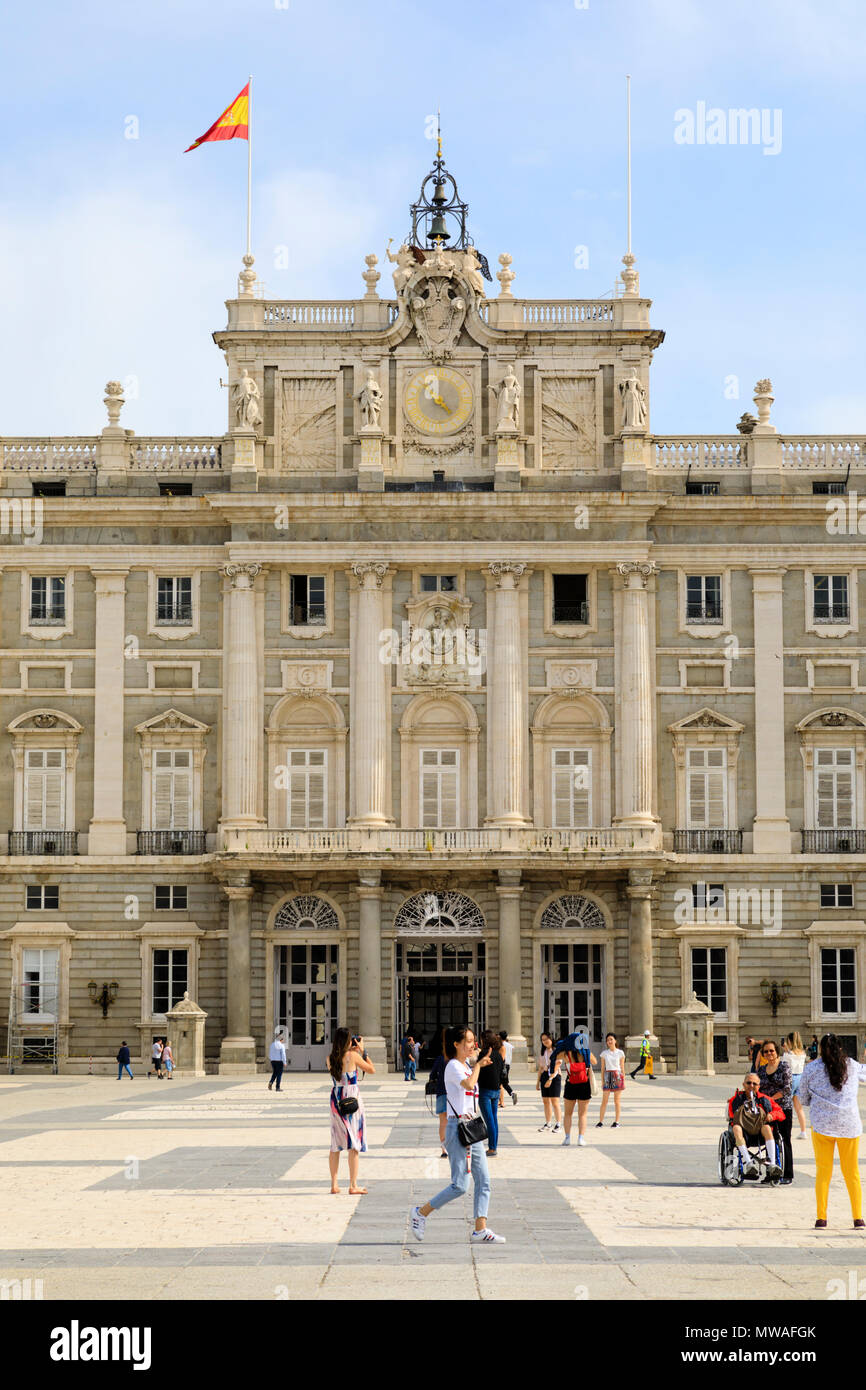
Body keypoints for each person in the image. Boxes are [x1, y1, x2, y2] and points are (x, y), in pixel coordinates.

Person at [410, 1026, 505, 1244]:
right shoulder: (452, 1066)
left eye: (474, 1041)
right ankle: (420, 1213)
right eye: (469, 1041)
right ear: (456, 1044)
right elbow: (470, 1084)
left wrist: (480, 1064)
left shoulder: (464, 1065)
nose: (473, 1045)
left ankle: (480, 1229)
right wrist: (479, 1065)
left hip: (471, 1127)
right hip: (457, 1128)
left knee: (484, 1180)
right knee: (460, 1186)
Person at [799, 1034, 866, 1230]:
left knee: (823, 1173)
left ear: (820, 1048)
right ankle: (858, 1217)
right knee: (852, 1173)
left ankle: (822, 1218)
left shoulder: (811, 1068)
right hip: (849, 1124)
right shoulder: (851, 1065)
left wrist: (819, 1102)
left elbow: (802, 1097)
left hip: (822, 1126)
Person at [328, 1027, 375, 1195]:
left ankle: (334, 1184)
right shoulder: (353, 1056)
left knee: (335, 1143)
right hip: (352, 1099)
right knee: (354, 1143)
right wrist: (363, 1051)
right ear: (349, 1041)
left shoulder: (330, 1058)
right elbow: (371, 1069)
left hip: (336, 1099)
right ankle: (353, 1185)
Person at [727, 1075, 783, 1178]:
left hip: (761, 1132)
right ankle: (749, 1163)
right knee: (736, 1128)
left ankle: (772, 1164)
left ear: (759, 1086)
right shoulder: (735, 1100)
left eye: (754, 1084)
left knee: (767, 1128)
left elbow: (780, 1112)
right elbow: (731, 1117)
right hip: (743, 1132)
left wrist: (771, 1115)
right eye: (748, 1083)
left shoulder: (764, 1099)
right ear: (743, 1084)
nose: (751, 1086)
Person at [758, 1039, 794, 1184]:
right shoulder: (761, 1070)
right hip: (767, 1110)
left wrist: (771, 1099)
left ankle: (787, 1174)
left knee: (785, 1140)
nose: (769, 1053)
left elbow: (787, 1089)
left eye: (771, 1050)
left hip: (783, 1108)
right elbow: (758, 1088)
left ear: (777, 1051)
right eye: (766, 1051)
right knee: (769, 1139)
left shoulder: (784, 1066)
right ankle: (771, 1172)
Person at [560, 1038, 598, 1147]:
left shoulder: (566, 1054)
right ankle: (580, 1138)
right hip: (584, 1083)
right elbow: (595, 1062)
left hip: (570, 1083)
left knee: (568, 1113)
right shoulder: (586, 1053)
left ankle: (567, 1138)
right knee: (582, 1114)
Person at [477, 1029, 506, 1157]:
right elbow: (501, 1072)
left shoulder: (484, 1054)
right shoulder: (498, 1054)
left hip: (485, 1091)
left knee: (489, 1120)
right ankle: (494, 1146)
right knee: (493, 1119)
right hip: (496, 1091)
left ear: (484, 1040)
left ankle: (492, 1148)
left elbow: (479, 1072)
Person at [783, 1032, 808, 1140]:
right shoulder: (803, 1054)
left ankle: (787, 1131)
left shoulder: (787, 1055)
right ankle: (803, 1131)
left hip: (790, 1078)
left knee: (786, 1107)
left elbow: (784, 1066)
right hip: (800, 1078)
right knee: (799, 1108)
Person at [597, 1032, 625, 1127]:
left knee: (617, 1101)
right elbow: (602, 1068)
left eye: (611, 1039)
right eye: (608, 1040)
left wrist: (623, 1079)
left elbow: (622, 1067)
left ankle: (616, 1122)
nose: (609, 1041)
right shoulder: (604, 1053)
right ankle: (600, 1121)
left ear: (615, 1041)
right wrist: (602, 1081)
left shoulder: (620, 1053)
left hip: (617, 1075)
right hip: (608, 1075)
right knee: (604, 1100)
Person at [428, 1029, 449, 1158]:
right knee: (455, 1122)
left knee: (443, 1122)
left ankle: (443, 1149)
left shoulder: (440, 1059)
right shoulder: (456, 1061)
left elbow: (432, 1075)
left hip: (441, 1092)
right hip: (454, 1095)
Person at [537, 1032, 562, 1133]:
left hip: (555, 1077)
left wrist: (550, 1079)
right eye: (543, 1040)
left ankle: (558, 1124)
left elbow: (557, 1066)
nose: (545, 1041)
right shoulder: (543, 1052)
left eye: (547, 1039)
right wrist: (538, 1081)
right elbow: (541, 1068)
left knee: (555, 1101)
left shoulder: (557, 1051)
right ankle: (548, 1123)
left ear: (551, 1039)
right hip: (544, 1076)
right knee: (546, 1101)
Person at [499, 1030, 518, 1106]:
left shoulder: (501, 1045)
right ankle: (502, 1100)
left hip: (502, 1065)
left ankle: (510, 1094)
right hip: (508, 1065)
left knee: (502, 1083)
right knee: (503, 1082)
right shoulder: (509, 1045)